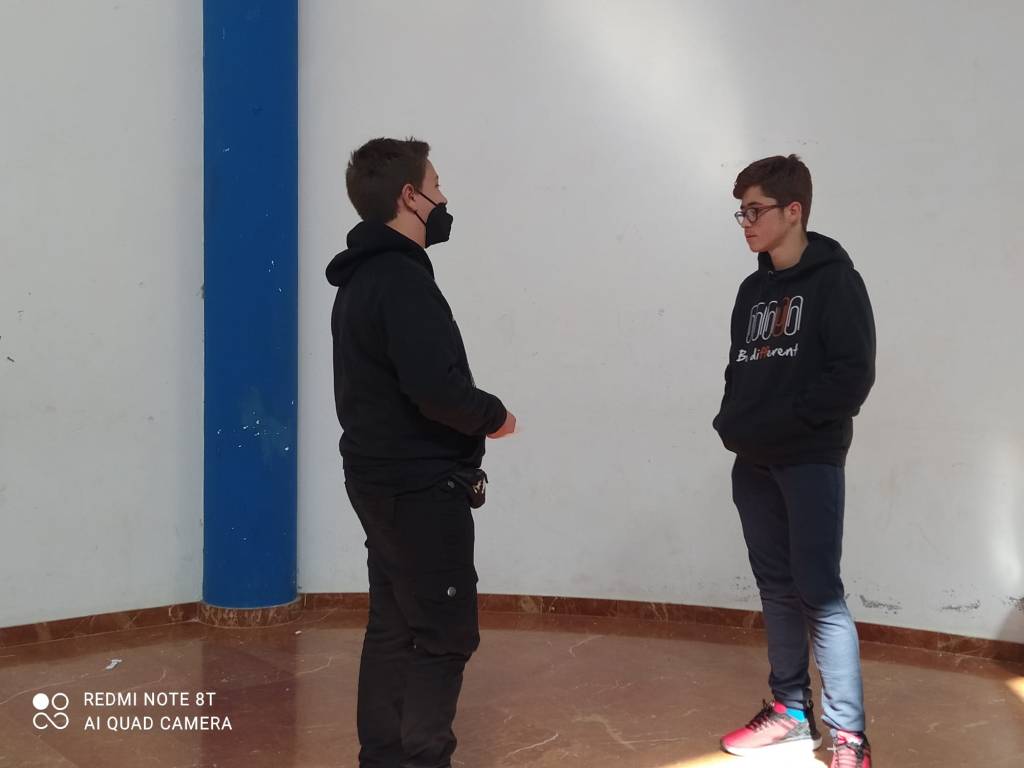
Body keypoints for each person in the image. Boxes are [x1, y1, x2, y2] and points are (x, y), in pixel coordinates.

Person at [326, 137, 516, 768]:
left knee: (394, 626)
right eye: (435, 186)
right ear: (409, 197)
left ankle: (382, 758)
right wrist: (495, 417)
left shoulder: (360, 280)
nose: (443, 197)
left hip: (378, 481)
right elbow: (436, 389)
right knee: (443, 635)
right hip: (418, 487)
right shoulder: (401, 280)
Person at [713, 154, 876, 767]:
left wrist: (784, 422)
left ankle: (849, 737)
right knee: (776, 590)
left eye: (755, 211)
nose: (746, 223)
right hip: (753, 464)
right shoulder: (751, 291)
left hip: (809, 460)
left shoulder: (837, 283)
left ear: (793, 211)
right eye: (741, 212)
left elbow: (851, 377)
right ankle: (790, 712)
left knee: (819, 595)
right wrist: (733, 422)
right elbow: (739, 369)